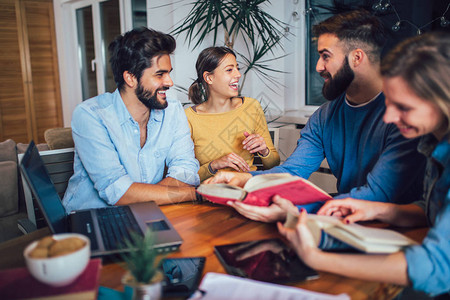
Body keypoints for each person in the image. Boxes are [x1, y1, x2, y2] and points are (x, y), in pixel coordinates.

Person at [205, 9, 425, 222]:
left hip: (400, 231)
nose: (318, 66)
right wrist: (244, 179)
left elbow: (379, 193)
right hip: (340, 221)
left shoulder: (404, 116)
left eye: (325, 56)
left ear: (357, 57)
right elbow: (292, 172)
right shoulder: (324, 117)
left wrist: (298, 210)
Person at [278, 31, 450, 296]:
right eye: (389, 103)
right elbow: (431, 210)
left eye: (403, 107)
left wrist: (316, 258)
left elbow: (435, 268)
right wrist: (375, 210)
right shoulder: (435, 146)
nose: (390, 116)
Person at [62, 28, 200, 212]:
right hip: (90, 220)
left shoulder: (173, 111)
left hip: (144, 213)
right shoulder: (90, 115)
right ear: (130, 78)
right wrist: (195, 194)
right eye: (160, 74)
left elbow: (186, 170)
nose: (169, 82)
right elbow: (117, 192)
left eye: (169, 73)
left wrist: (144, 197)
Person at [185, 46, 279, 182]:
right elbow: (185, 177)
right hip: (209, 194)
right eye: (229, 70)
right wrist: (214, 165)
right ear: (209, 78)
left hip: (248, 188)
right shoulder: (189, 117)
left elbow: (274, 164)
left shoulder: (251, 107)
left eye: (237, 68)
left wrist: (264, 151)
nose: (238, 74)